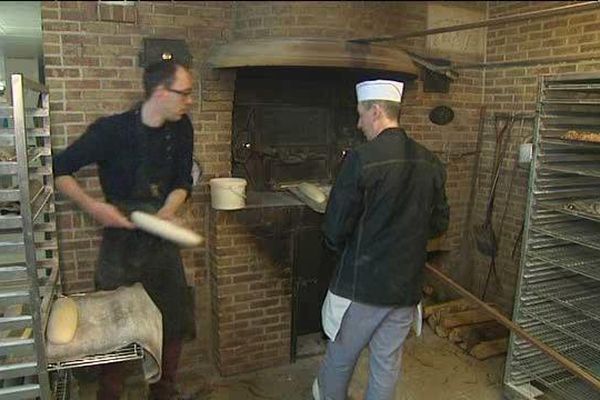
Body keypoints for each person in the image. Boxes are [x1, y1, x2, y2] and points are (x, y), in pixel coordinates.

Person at [53, 60, 196, 400]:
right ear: (161, 92)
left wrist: (166, 211)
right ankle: (110, 394)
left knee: (174, 321)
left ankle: (163, 392)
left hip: (159, 239)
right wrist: (95, 207)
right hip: (120, 242)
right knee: (114, 328)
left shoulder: (181, 128)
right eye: (185, 93)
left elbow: (182, 181)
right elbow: (60, 168)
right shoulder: (111, 131)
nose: (189, 100)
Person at [313, 79, 450, 400]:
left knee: (341, 357)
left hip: (363, 287)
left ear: (376, 111)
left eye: (361, 114)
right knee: (387, 361)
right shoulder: (430, 161)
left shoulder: (362, 159)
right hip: (406, 287)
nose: (358, 123)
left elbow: (335, 227)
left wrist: (339, 248)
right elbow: (440, 223)